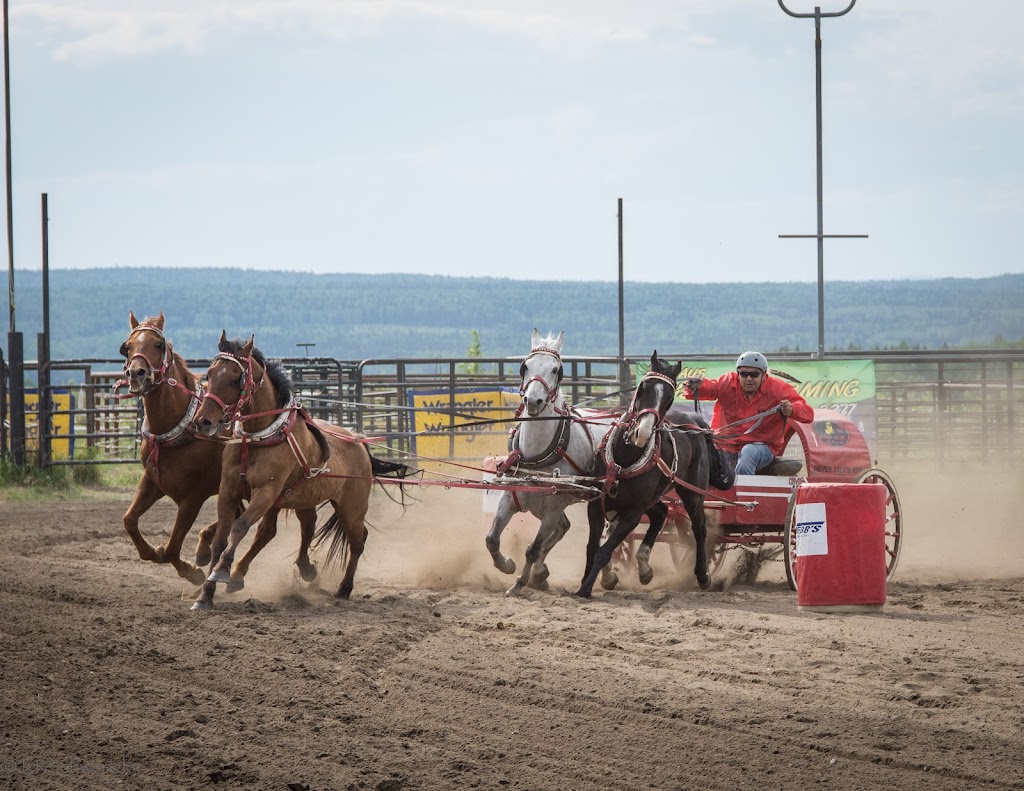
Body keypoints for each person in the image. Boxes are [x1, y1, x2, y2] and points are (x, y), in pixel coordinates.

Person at [682, 351, 813, 477]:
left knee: (749, 452)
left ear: (764, 375)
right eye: (744, 374)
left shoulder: (778, 389)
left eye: (754, 374)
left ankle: (744, 494)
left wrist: (792, 410)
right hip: (724, 444)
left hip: (762, 447)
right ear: (738, 374)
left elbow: (808, 414)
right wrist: (694, 385)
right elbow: (706, 388)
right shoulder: (727, 383)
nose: (749, 379)